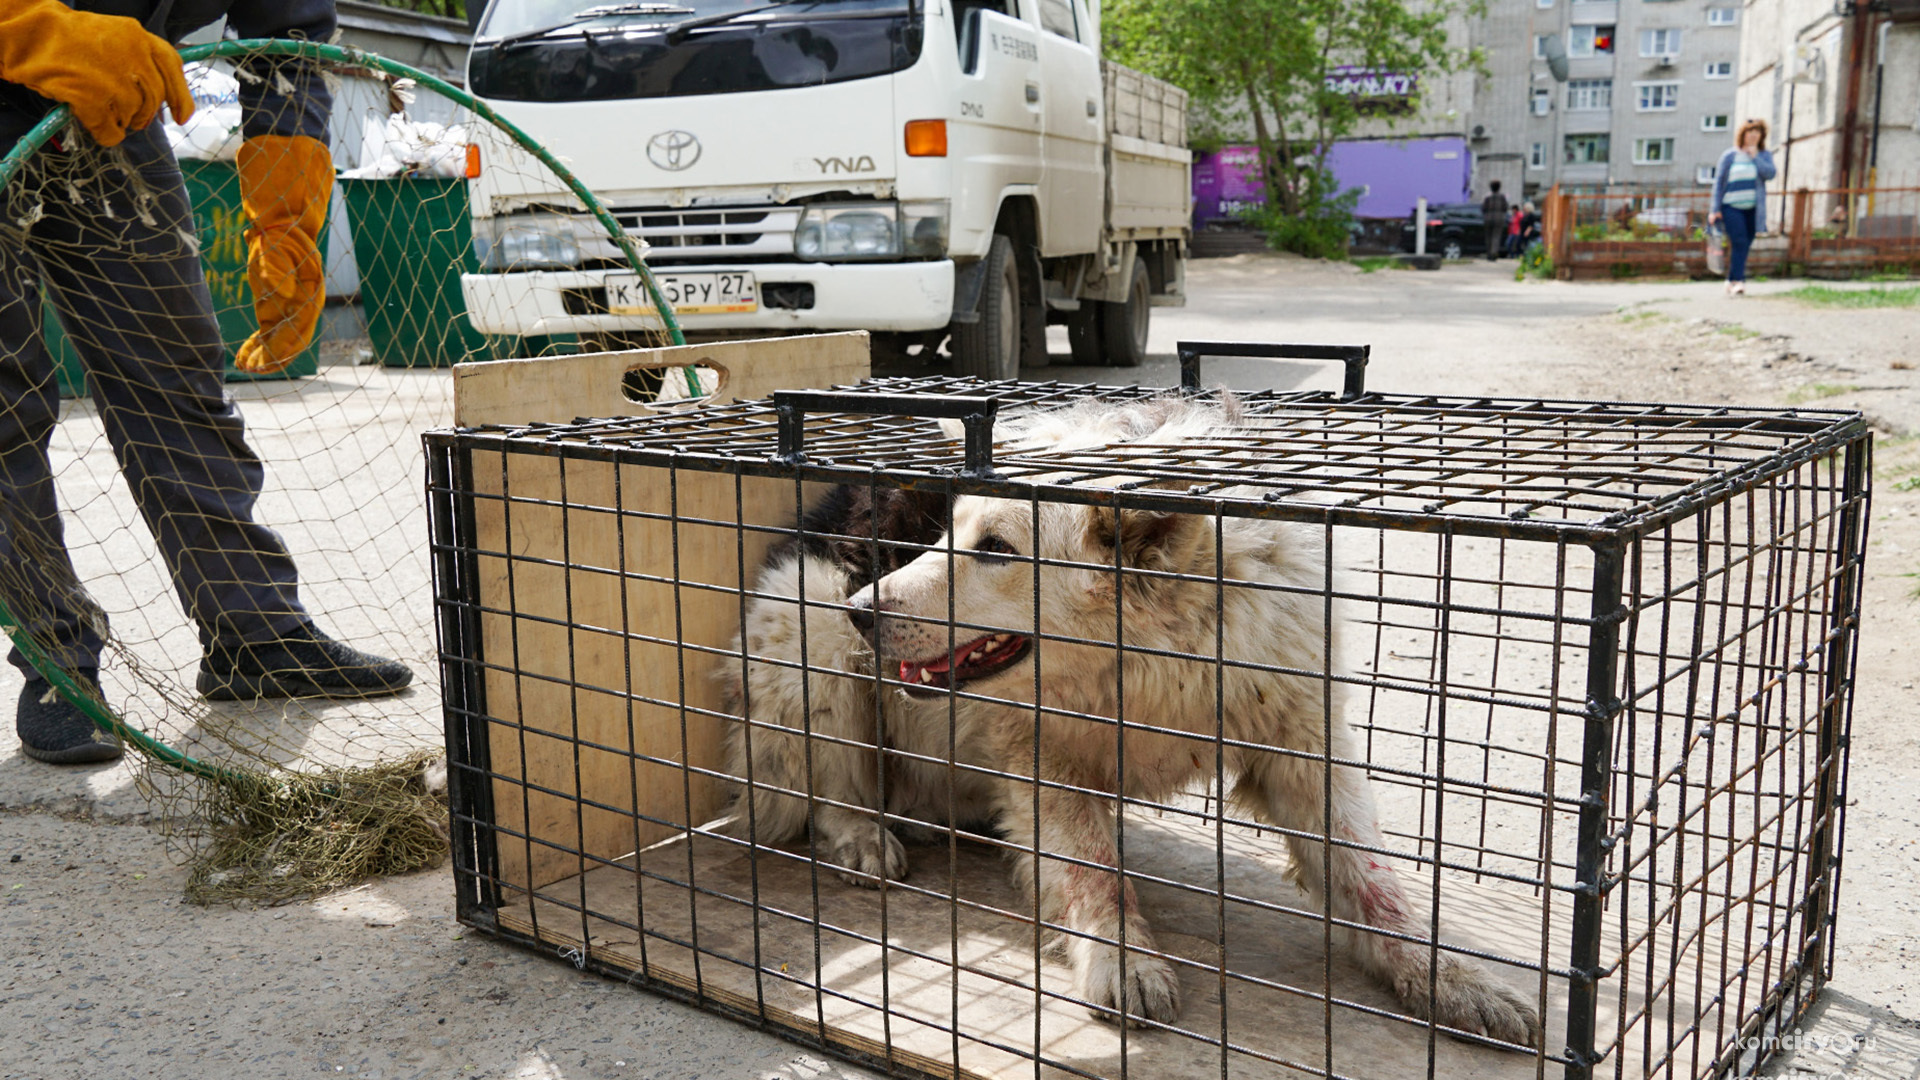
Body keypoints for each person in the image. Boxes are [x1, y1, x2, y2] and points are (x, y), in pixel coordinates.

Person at [0, 0, 413, 765]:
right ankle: (59, 664)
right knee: (5, 404)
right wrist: (26, 28)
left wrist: (285, 209)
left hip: (114, 100)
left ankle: (256, 637)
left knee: (177, 377)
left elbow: (289, 29)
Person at [1709, 119, 1777, 296]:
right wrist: (1714, 209)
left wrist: (1755, 157)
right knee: (1739, 241)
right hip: (1731, 206)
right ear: (1743, 134)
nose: (1754, 135)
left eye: (1757, 131)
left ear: (1761, 136)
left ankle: (1731, 280)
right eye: (1750, 131)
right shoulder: (1730, 155)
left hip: (1753, 209)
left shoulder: (1764, 155)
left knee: (1745, 244)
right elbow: (1719, 183)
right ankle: (1739, 281)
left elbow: (1769, 174)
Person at [1480, 180, 1509, 261]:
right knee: (1496, 236)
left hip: (1488, 218)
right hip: (1499, 218)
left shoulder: (1487, 197)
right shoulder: (1502, 197)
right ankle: (1494, 253)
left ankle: (1489, 253)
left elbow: (1483, 208)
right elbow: (1505, 208)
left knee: (1488, 236)